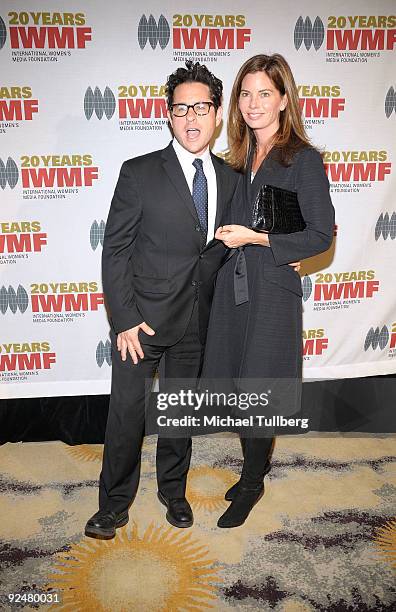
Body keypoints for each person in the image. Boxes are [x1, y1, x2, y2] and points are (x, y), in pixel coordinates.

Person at [85, 62, 241, 539]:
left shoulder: (231, 178)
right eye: (181, 109)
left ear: (216, 114)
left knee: (180, 409)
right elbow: (116, 249)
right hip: (142, 320)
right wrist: (124, 320)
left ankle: (173, 491)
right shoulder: (139, 173)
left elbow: (232, 245)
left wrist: (284, 254)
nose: (191, 118)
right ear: (168, 116)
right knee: (127, 413)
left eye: (201, 107)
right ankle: (113, 503)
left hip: (198, 319)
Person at [202, 54, 335, 528]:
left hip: (273, 291)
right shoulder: (236, 159)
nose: (254, 103)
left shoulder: (302, 158)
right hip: (232, 292)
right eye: (246, 93)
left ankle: (253, 483)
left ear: (283, 100)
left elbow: (321, 235)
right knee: (240, 386)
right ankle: (253, 469)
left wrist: (260, 239)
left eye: (265, 93)